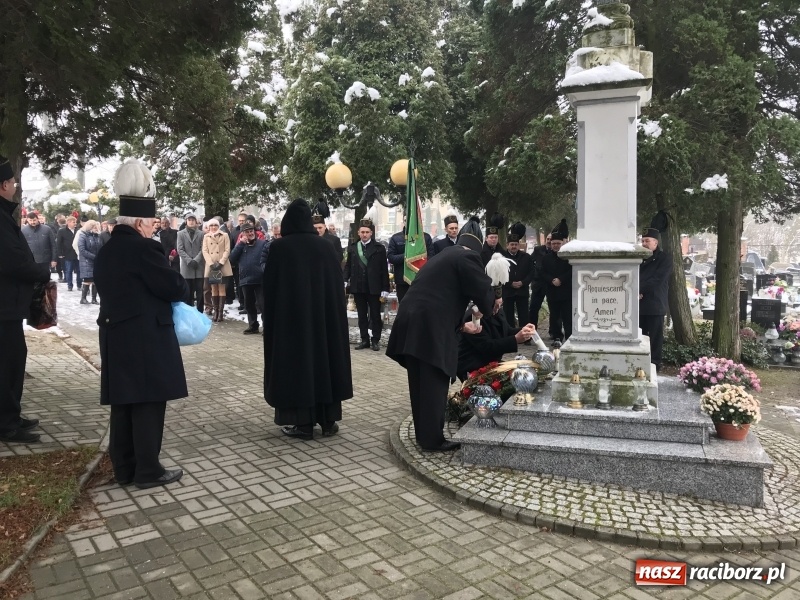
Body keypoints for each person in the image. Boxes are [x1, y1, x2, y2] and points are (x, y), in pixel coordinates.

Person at [94, 159, 187, 488]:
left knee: (123, 403)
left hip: (115, 334)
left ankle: (124, 468)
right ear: (138, 223)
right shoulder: (145, 249)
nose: (154, 228)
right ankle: (148, 470)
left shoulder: (108, 250)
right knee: (148, 401)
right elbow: (175, 287)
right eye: (151, 223)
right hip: (145, 336)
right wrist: (162, 256)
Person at [386, 217, 496, 452]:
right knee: (435, 380)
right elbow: (482, 291)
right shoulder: (467, 256)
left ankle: (424, 435)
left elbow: (442, 296)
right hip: (428, 326)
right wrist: (492, 303)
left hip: (412, 321)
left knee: (419, 381)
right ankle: (433, 440)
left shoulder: (445, 256)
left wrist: (462, 326)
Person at [262, 198, 352, 440]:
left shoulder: (280, 248)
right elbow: (336, 289)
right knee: (325, 362)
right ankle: (328, 420)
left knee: (299, 367)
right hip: (325, 324)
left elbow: (269, 289)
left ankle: (302, 423)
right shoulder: (325, 247)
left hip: (293, 324)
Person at [0, 157, 50, 443]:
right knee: (7, 364)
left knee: (13, 361)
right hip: (4, 307)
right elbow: (13, 262)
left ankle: (10, 415)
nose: (15, 187)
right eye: (13, 182)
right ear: (4, 185)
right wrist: (42, 272)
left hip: (8, 308)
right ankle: (6, 424)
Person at [343, 217, 390, 351]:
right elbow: (348, 267)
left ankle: (375, 340)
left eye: (367, 232)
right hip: (358, 286)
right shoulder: (353, 248)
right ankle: (364, 339)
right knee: (362, 315)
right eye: (362, 232)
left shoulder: (379, 248)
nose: (364, 234)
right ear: (358, 232)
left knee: (375, 315)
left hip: (374, 287)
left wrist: (385, 288)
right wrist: (344, 280)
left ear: (371, 233)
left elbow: (383, 270)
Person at [457, 305, 537, 381]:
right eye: (495, 305)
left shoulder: (498, 310)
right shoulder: (473, 316)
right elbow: (486, 346)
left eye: (500, 305)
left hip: (491, 361)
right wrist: (515, 339)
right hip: (473, 364)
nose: (497, 308)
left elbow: (507, 331)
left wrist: (524, 331)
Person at [639, 227, 673, 372]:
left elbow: (657, 279)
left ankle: (654, 364)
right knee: (639, 336)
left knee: (655, 337)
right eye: (643, 241)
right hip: (639, 304)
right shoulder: (639, 257)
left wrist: (639, 290)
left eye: (647, 241)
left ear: (655, 242)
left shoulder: (664, 258)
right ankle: (639, 362)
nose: (644, 244)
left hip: (654, 304)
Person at [230, 222, 268, 334]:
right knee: (249, 304)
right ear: (242, 234)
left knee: (263, 304)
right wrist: (240, 244)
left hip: (260, 279)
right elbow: (232, 258)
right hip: (245, 279)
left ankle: (267, 326)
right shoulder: (240, 245)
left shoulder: (262, 244)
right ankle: (253, 325)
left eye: (251, 231)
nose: (250, 233)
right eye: (247, 232)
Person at [387, 219, 434, 302]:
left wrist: (419, 259)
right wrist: (407, 256)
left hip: (421, 280)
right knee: (404, 307)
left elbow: (431, 257)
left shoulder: (425, 238)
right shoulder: (395, 238)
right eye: (407, 219)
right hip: (402, 280)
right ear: (404, 222)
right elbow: (391, 257)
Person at [541, 221, 572, 341]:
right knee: (554, 317)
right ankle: (557, 337)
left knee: (567, 317)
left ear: (562, 243)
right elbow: (542, 272)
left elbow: (571, 271)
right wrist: (551, 280)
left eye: (558, 243)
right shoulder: (546, 258)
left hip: (566, 291)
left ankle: (569, 337)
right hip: (552, 291)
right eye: (553, 243)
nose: (555, 246)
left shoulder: (568, 256)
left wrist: (561, 279)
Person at [502, 223, 534, 331]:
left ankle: (525, 336)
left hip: (522, 290)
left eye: (516, 244)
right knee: (508, 315)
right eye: (512, 244)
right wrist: (510, 283)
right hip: (507, 291)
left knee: (524, 315)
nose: (514, 246)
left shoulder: (526, 257)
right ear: (507, 245)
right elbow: (498, 274)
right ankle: (510, 336)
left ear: (519, 245)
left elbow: (531, 273)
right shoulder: (502, 258)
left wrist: (523, 282)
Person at [202, 218, 233, 322]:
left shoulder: (225, 235)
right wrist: (211, 264)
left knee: (222, 289)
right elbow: (204, 251)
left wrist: (221, 263)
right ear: (209, 227)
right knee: (213, 289)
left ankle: (220, 312)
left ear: (218, 226)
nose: (213, 227)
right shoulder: (206, 236)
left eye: (215, 225)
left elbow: (227, 250)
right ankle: (215, 311)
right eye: (211, 226)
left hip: (222, 265)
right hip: (211, 266)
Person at [177, 215, 205, 313]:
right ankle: (189, 312)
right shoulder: (180, 234)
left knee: (200, 292)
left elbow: (203, 249)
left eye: (193, 220)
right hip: (186, 267)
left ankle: (200, 311)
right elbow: (180, 249)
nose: (191, 222)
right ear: (186, 221)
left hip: (199, 267)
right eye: (189, 220)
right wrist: (189, 260)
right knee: (188, 293)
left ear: (196, 221)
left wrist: (196, 260)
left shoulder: (201, 234)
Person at [529, 233, 554, 332]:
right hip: (538, 284)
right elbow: (530, 262)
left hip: (551, 285)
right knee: (533, 309)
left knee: (554, 310)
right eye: (547, 239)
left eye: (550, 239)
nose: (548, 241)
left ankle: (553, 332)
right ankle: (532, 331)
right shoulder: (538, 250)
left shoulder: (557, 251)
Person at [78, 220, 103, 305]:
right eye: (94, 227)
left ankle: (94, 299)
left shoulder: (97, 236)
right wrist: (94, 257)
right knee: (88, 280)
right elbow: (82, 250)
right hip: (86, 261)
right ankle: (83, 298)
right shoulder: (83, 236)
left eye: (97, 227)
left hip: (96, 261)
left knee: (95, 280)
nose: (97, 229)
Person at [56, 216, 80, 292]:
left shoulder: (78, 230)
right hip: (67, 253)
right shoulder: (62, 231)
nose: (75, 224)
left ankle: (79, 285)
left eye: (75, 222)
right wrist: (60, 253)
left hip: (77, 253)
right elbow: (58, 243)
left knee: (79, 270)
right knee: (69, 270)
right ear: (68, 222)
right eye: (73, 222)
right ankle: (70, 285)